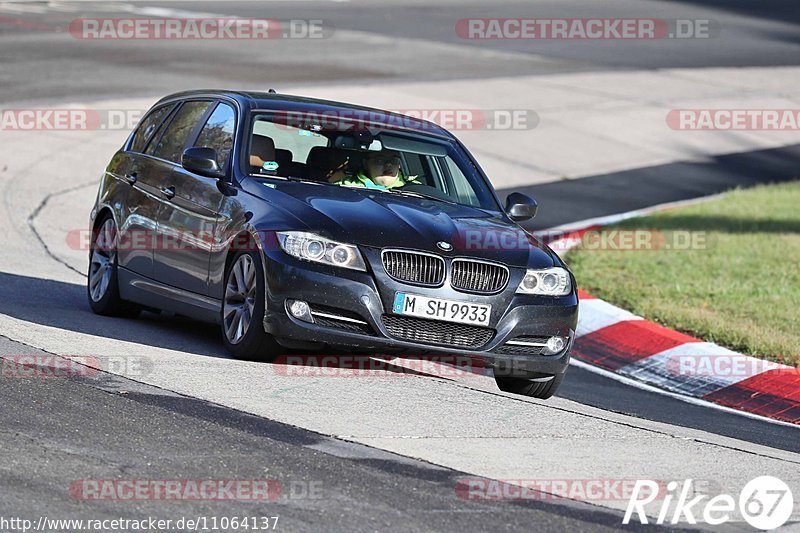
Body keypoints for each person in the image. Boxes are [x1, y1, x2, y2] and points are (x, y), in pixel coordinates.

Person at [336, 150, 420, 189]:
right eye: (380, 160)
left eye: (394, 160)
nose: (389, 164)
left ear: (399, 165)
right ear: (366, 164)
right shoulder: (344, 187)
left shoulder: (416, 190)